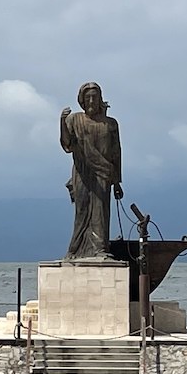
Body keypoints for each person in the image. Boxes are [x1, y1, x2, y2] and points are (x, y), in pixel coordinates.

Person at [60, 81, 123, 259]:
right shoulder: (75, 119)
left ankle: (100, 249)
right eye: (88, 97)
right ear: (82, 100)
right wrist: (62, 122)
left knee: (100, 212)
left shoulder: (110, 124)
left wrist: (117, 182)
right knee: (82, 210)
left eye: (95, 97)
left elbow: (116, 152)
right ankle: (74, 250)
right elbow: (68, 144)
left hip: (104, 173)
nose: (91, 100)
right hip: (82, 172)